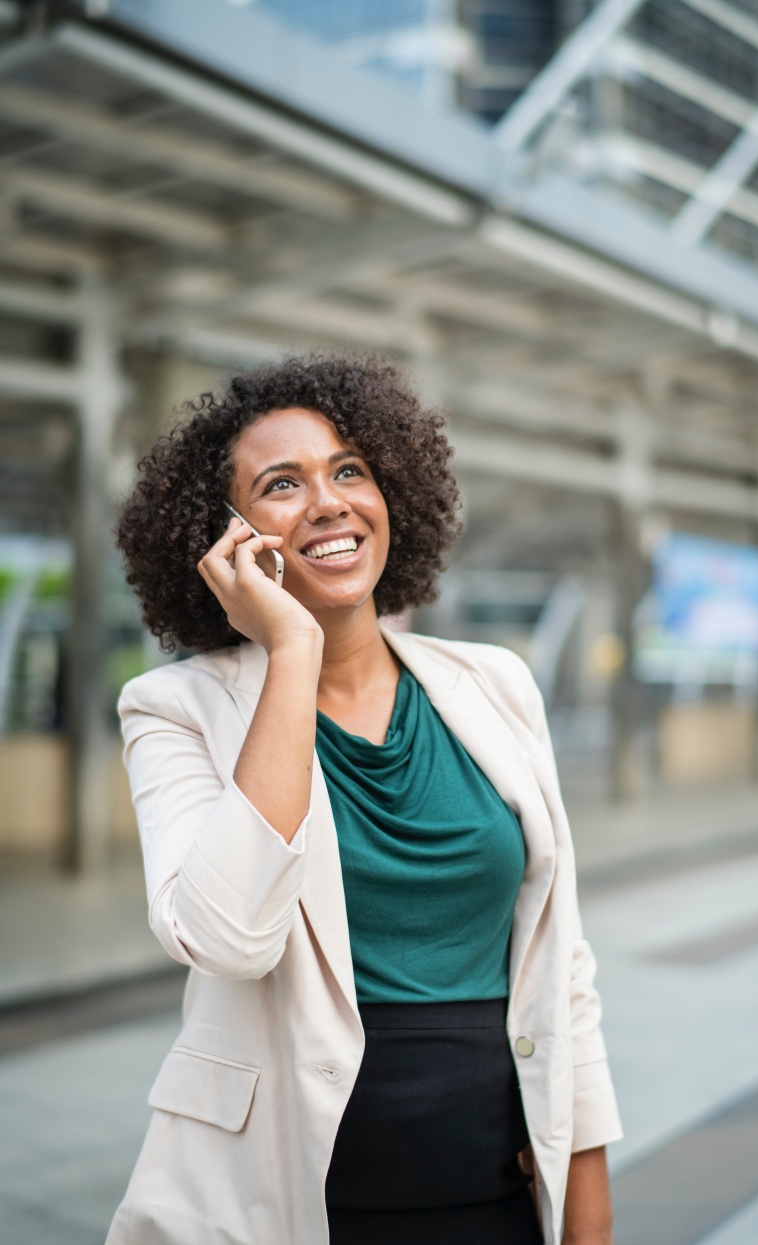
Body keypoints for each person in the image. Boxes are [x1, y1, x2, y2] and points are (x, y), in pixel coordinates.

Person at [108, 353, 622, 1245]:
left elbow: (562, 973)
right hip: (286, 1206)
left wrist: (588, 1219)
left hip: (490, 1200)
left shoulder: (495, 684)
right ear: (223, 535)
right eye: (282, 483)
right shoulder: (174, 708)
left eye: (350, 469)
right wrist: (291, 650)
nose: (330, 500)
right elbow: (227, 936)